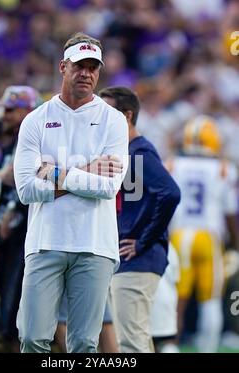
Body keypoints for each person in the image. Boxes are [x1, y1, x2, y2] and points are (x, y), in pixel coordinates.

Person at [13, 32, 129, 353]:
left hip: (95, 243)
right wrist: (88, 171)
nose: (86, 73)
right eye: (79, 65)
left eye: (93, 67)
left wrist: (56, 174)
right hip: (45, 240)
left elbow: (109, 187)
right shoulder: (36, 120)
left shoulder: (113, 120)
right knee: (33, 337)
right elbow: (25, 189)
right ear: (63, 66)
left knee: (84, 344)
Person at [99, 86, 181, 353]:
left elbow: (170, 193)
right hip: (130, 256)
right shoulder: (127, 152)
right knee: (137, 339)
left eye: (106, 112)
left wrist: (143, 240)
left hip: (137, 258)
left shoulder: (139, 153)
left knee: (130, 342)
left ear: (126, 116)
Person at [168, 115, 239, 353]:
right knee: (211, 298)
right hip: (208, 236)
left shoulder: (173, 164)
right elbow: (230, 212)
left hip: (179, 235)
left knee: (177, 299)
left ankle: (171, 346)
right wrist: (236, 243)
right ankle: (207, 347)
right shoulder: (223, 169)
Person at [0, 85, 42, 352]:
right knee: (5, 306)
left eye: (10, 110)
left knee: (19, 310)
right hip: (9, 237)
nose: (5, 115)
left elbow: (27, 184)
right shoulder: (10, 142)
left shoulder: (40, 140)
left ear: (28, 110)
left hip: (28, 236)